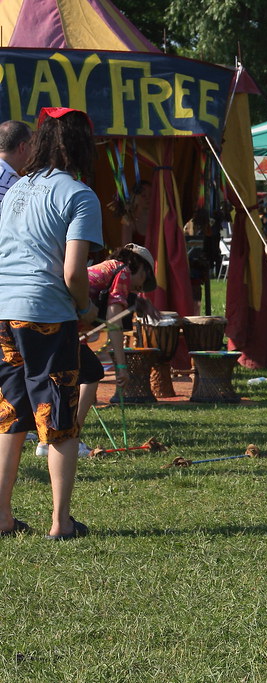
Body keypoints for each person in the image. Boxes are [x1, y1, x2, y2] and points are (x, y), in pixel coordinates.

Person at [0, 107, 102, 540]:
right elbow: (75, 273)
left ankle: (2, 517)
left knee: (10, 414)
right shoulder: (79, 194)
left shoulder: (16, 188)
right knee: (58, 417)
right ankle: (61, 522)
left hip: (3, 312)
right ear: (81, 146)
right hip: (46, 313)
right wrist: (86, 308)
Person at [69, 244, 159, 457]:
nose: (139, 289)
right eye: (144, 282)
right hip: (62, 325)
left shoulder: (110, 268)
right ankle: (70, 438)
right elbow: (114, 322)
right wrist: (120, 366)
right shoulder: (124, 271)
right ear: (142, 269)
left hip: (57, 323)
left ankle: (45, 437)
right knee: (92, 374)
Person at [0, 120, 32, 203]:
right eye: (31, 144)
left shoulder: (6, 176)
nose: (34, 150)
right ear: (23, 147)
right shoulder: (3, 179)